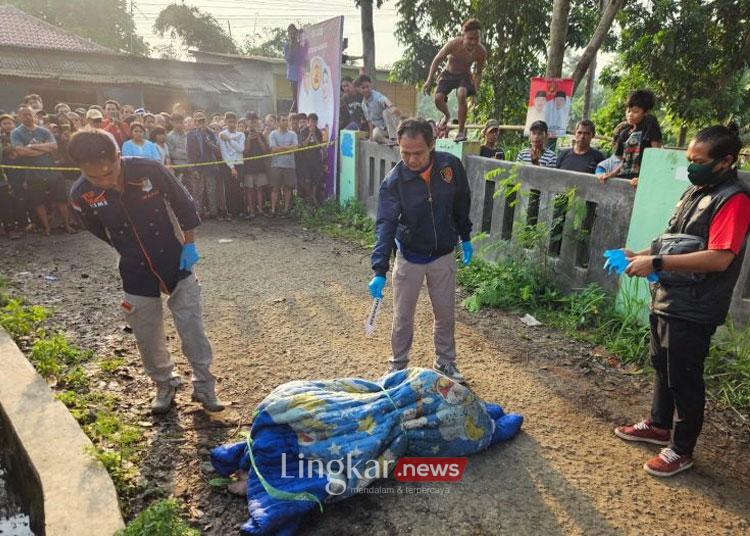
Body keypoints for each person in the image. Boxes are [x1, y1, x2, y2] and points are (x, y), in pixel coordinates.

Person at [614, 125, 750, 477]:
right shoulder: (696, 190)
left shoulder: (734, 199)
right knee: (663, 364)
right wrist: (638, 254)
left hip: (697, 304)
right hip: (670, 295)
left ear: (725, 162)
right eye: (689, 159)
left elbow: (719, 257)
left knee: (685, 376)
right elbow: (675, 240)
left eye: (699, 161)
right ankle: (659, 425)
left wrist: (656, 263)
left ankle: (681, 449)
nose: (691, 166)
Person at [67, 130, 223, 414]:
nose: (106, 181)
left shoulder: (149, 169)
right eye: (95, 177)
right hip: (134, 268)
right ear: (80, 170)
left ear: (118, 156)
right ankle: (165, 383)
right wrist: (126, 249)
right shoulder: (81, 194)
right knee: (146, 332)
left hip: (176, 258)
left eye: (110, 172)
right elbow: (96, 229)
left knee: (192, 325)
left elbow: (184, 205)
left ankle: (204, 383)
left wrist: (189, 245)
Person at [369, 118, 473, 383]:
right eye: (405, 153)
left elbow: (461, 202)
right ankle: (398, 367)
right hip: (410, 257)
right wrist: (379, 269)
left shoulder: (450, 167)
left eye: (418, 153)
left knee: (445, 313)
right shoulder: (394, 182)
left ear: (432, 146)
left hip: (443, 255)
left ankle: (445, 363)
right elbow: (385, 225)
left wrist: (465, 235)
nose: (412, 160)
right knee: (403, 316)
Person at [11, 105, 74, 235]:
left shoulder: (44, 131)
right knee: (38, 201)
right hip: (33, 173)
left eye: (30, 114)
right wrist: (42, 149)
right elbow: (20, 151)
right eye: (24, 114)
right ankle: (47, 228)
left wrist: (32, 146)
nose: (28, 117)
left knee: (61, 199)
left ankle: (67, 224)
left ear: (34, 115)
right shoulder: (16, 133)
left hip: (52, 171)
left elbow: (54, 146)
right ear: (19, 117)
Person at [422, 19, 487, 142]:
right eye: (470, 38)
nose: (473, 42)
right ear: (463, 36)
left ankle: (461, 131)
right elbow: (437, 60)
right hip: (448, 74)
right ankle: (447, 115)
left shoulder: (481, 51)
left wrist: (474, 92)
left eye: (476, 39)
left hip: (464, 76)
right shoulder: (453, 44)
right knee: (438, 98)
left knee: (462, 94)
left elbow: (478, 73)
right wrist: (429, 80)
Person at [615, 89, 663, 187]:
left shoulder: (650, 122)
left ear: (646, 112)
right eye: (628, 111)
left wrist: (643, 177)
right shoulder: (624, 131)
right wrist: (611, 174)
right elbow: (622, 159)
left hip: (642, 179)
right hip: (625, 178)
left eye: (635, 111)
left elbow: (656, 154)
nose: (630, 115)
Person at [186, 111, 220, 219]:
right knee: (198, 191)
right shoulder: (190, 134)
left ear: (206, 121)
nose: (200, 122)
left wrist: (206, 137)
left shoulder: (210, 132)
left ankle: (213, 212)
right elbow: (189, 152)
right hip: (197, 166)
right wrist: (193, 168)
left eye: (202, 120)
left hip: (209, 165)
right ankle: (198, 213)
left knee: (211, 190)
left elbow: (215, 148)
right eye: (198, 120)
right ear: (194, 121)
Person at [356, 75, 401, 145]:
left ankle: (394, 138)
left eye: (367, 87)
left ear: (370, 86)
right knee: (375, 135)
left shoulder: (376, 96)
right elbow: (370, 121)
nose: (366, 90)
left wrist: (391, 106)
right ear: (359, 89)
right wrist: (371, 137)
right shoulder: (363, 104)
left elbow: (384, 99)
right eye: (363, 88)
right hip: (382, 128)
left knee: (385, 112)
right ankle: (390, 142)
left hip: (393, 125)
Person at [268, 114, 298, 217]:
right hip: (276, 165)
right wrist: (287, 148)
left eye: (286, 120)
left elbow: (295, 147)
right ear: (278, 122)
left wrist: (281, 148)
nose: (285, 122)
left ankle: (286, 209)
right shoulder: (273, 134)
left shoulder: (293, 134)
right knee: (275, 188)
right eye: (283, 120)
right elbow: (273, 149)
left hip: (290, 165)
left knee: (288, 188)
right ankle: (273, 209)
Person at [0, 114, 24, 238]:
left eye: (10, 123)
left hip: (17, 174)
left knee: (16, 200)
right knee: (5, 202)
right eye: (4, 123)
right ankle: (7, 227)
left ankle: (19, 225)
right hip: (3, 176)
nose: (7, 125)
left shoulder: (18, 136)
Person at [218, 112, 245, 217]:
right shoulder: (222, 135)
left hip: (239, 163)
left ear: (236, 122)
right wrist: (232, 167)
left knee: (239, 187)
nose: (232, 124)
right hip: (228, 164)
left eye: (234, 122)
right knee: (229, 188)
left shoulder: (241, 134)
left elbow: (241, 149)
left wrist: (229, 139)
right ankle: (231, 211)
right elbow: (224, 153)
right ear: (225, 122)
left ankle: (240, 210)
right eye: (229, 122)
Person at [242, 112, 270, 218]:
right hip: (248, 167)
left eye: (255, 121)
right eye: (251, 121)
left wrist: (258, 138)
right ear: (246, 122)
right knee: (249, 189)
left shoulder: (261, 135)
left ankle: (260, 210)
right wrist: (248, 139)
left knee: (260, 188)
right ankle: (252, 211)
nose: (253, 123)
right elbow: (245, 151)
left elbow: (265, 150)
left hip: (260, 166)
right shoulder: (243, 135)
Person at [297, 112, 326, 206]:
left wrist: (314, 134)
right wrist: (310, 134)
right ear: (308, 122)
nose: (313, 123)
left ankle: (313, 196)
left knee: (316, 179)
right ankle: (308, 197)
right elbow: (303, 145)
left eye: (315, 121)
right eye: (311, 121)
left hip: (316, 159)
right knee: (307, 179)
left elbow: (319, 145)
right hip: (305, 159)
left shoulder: (318, 131)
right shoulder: (304, 131)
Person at [167, 113, 190, 188]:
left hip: (190, 167)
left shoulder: (188, 135)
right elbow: (172, 153)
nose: (179, 125)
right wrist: (186, 153)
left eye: (181, 122)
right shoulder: (169, 137)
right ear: (171, 122)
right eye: (177, 123)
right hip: (178, 168)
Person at [284, 24, 301, 112]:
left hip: (302, 74)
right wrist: (291, 46)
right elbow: (288, 60)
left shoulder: (300, 44)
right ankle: (294, 112)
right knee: (295, 96)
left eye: (294, 33)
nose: (292, 35)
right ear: (288, 34)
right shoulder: (287, 45)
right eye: (291, 34)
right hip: (293, 75)